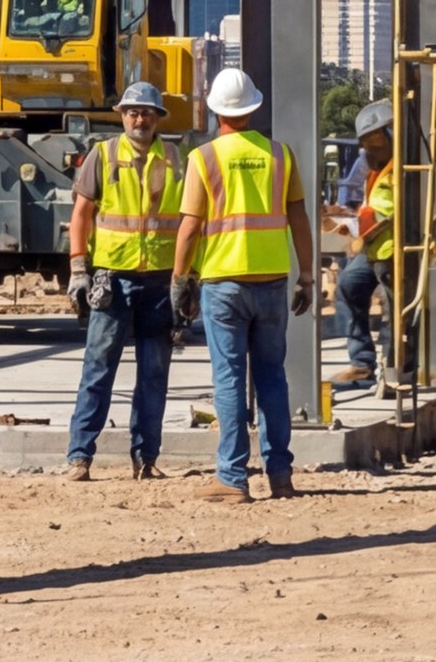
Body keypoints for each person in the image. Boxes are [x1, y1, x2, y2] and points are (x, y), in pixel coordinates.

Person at [169, 66, 315, 505]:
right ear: (253, 107)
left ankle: (232, 478)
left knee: (229, 380)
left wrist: (180, 279)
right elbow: (300, 219)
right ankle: (281, 475)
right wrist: (307, 275)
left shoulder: (204, 159)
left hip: (224, 285)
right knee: (273, 378)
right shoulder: (280, 155)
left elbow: (190, 227)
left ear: (216, 112)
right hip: (272, 282)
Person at [61, 80, 185, 482]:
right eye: (132, 111)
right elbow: (81, 213)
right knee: (97, 370)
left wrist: (187, 279)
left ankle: (146, 458)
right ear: (122, 116)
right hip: (113, 280)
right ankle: (80, 457)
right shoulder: (103, 154)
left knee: (154, 375)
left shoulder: (174, 158)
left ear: (158, 118)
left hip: (159, 283)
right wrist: (79, 267)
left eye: (147, 112)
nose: (139, 118)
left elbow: (188, 221)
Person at [330, 100, 398, 393]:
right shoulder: (377, 170)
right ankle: (362, 363)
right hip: (374, 248)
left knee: (397, 310)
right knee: (347, 285)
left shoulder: (401, 168)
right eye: (367, 143)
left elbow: (386, 213)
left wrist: (357, 226)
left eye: (376, 142)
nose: (371, 149)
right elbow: (372, 209)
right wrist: (347, 221)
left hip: (393, 249)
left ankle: (397, 367)